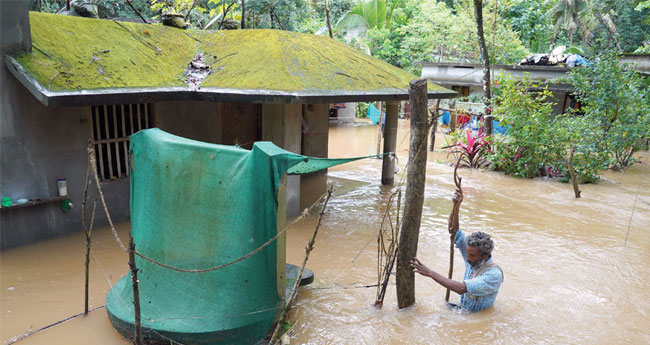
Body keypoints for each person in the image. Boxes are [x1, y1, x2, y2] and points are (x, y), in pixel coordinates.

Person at [410, 191, 503, 312]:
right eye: (467, 253)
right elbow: (453, 231)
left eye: (472, 255)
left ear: (485, 255)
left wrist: (430, 273)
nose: (467, 258)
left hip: (474, 316)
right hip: (463, 309)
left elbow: (461, 288)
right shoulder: (474, 257)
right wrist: (456, 206)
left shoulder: (493, 275)